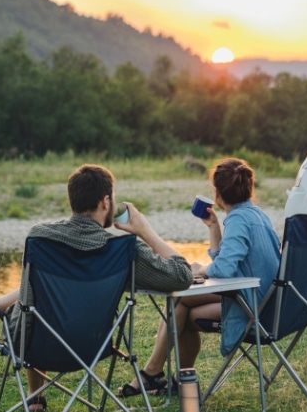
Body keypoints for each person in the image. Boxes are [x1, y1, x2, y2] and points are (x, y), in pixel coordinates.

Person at [0, 164, 193, 412]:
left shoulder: (40, 237)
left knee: (31, 300)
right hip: (93, 346)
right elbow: (182, 276)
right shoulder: (123, 251)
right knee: (32, 295)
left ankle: (34, 394)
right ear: (105, 202)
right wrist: (144, 230)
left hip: (35, 346)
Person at [116, 157, 280, 397]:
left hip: (253, 307)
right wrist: (214, 228)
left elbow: (223, 270)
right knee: (181, 304)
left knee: (180, 303)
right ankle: (173, 378)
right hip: (266, 300)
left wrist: (200, 270)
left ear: (217, 193)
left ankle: (153, 374)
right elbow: (228, 261)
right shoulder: (257, 215)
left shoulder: (237, 219)